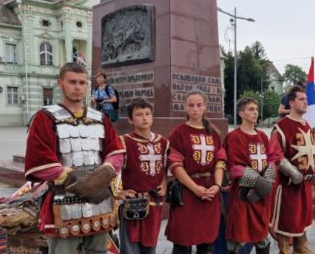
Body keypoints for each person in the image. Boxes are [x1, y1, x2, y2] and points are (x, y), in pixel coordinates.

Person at [24, 62, 123, 254]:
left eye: (82, 82)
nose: (78, 87)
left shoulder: (100, 118)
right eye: (72, 82)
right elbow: (39, 157)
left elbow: (115, 151)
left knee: (99, 252)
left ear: (87, 85)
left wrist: (105, 172)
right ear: (60, 83)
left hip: (99, 200)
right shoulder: (45, 118)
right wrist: (74, 178)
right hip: (64, 198)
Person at [165, 91, 225, 254]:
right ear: (185, 107)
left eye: (199, 105)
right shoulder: (179, 133)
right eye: (191, 105)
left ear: (205, 107)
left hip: (210, 192)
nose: (195, 109)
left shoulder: (214, 133)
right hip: (187, 192)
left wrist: (217, 186)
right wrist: (195, 189)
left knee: (207, 244)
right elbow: (175, 165)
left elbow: (220, 162)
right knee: (182, 242)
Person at [225, 97, 278, 254]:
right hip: (243, 194)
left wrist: (267, 180)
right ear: (241, 113)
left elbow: (272, 158)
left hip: (261, 196)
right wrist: (258, 181)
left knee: (262, 236)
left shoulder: (262, 136)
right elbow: (234, 166)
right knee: (237, 236)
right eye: (251, 109)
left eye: (256, 109)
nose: (255, 112)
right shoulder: (234, 137)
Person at [118, 99, 168, 254]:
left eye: (147, 114)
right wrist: (119, 192)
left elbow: (165, 168)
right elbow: (114, 171)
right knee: (130, 248)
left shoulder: (163, 142)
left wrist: (164, 183)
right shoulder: (124, 142)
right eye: (139, 115)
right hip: (132, 204)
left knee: (150, 246)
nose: (144, 118)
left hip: (154, 203)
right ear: (130, 120)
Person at [272, 86, 315, 252]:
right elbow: (275, 154)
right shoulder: (281, 126)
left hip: (306, 184)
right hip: (289, 185)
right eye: (301, 99)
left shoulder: (308, 125)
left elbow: (314, 151)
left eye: (306, 100)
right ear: (291, 103)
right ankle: (284, 251)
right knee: (287, 219)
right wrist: (293, 173)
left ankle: (301, 248)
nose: (305, 102)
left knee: (302, 219)